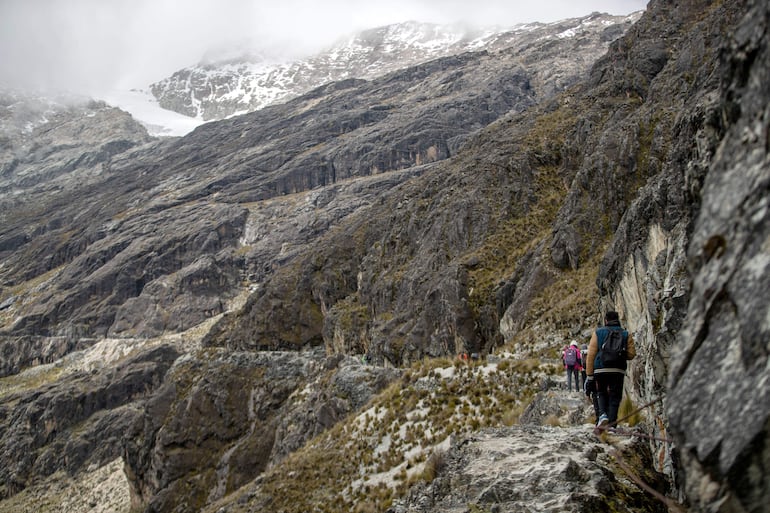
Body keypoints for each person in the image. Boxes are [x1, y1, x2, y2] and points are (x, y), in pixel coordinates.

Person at [585, 311, 636, 431]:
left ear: (606, 320)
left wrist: (589, 374)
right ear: (618, 319)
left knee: (601, 392)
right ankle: (612, 424)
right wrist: (619, 354)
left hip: (601, 369)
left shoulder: (598, 333)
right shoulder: (625, 334)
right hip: (617, 369)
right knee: (615, 396)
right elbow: (631, 354)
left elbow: (591, 356)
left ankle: (602, 415)